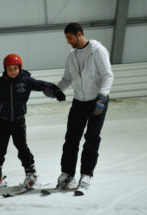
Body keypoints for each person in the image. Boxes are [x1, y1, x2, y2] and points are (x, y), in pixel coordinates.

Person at [0, 53, 66, 191]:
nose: (12, 71)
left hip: (18, 121)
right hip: (3, 121)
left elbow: (42, 85)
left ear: (19, 68)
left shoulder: (26, 80)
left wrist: (57, 92)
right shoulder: (1, 82)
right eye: (9, 69)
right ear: (5, 69)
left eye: (15, 68)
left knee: (22, 147)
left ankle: (31, 174)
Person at [49, 22, 114, 195]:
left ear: (79, 34)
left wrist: (102, 96)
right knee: (71, 139)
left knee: (92, 138)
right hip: (79, 101)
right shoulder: (71, 57)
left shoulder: (97, 51)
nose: (68, 41)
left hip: (97, 102)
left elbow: (108, 76)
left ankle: (86, 175)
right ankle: (68, 174)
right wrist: (56, 90)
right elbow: (67, 79)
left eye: (69, 38)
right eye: (66, 38)